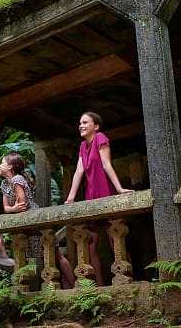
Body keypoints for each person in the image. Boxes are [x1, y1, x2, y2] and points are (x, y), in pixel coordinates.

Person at [64, 111, 132, 285]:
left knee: (114, 238)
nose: (81, 125)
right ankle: (98, 285)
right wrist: (70, 198)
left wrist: (119, 189)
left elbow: (106, 164)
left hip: (106, 193)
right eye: (80, 123)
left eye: (85, 122)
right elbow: (79, 171)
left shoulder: (100, 138)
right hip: (91, 197)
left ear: (96, 126)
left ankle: (127, 280)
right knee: (90, 243)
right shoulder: (82, 146)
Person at [0, 152, 75, 288]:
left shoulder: (17, 179)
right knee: (33, 257)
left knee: (55, 255)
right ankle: (43, 288)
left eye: (2, 163)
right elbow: (6, 208)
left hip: (34, 222)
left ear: (10, 167)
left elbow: (22, 205)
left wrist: (14, 208)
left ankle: (74, 285)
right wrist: (13, 208)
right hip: (23, 226)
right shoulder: (4, 184)